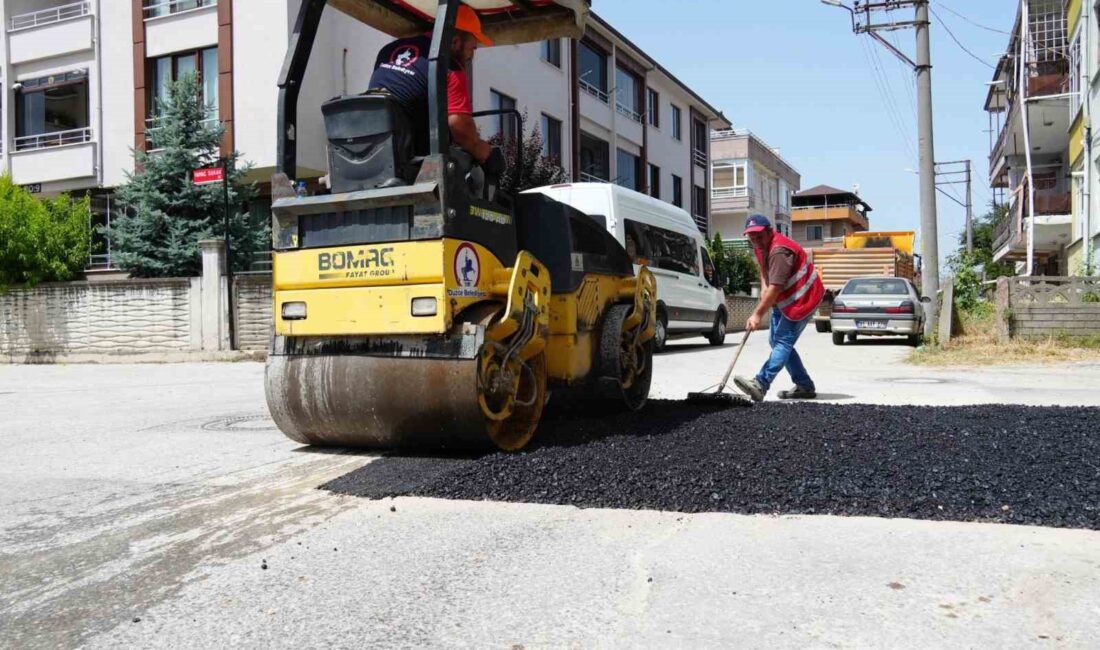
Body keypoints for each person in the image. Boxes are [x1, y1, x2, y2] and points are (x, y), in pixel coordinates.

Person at [367, 5, 504, 173]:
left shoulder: (390, 49)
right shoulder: (448, 66)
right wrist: (482, 150)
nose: (471, 56)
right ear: (455, 41)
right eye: (472, 48)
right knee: (473, 177)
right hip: (411, 161)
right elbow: (459, 127)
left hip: (371, 150)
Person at [734, 214, 825, 402]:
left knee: (782, 341)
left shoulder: (779, 251)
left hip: (803, 298)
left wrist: (757, 313)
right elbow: (763, 269)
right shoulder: (761, 246)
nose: (755, 240)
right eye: (751, 236)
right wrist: (764, 286)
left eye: (759, 235)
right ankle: (804, 385)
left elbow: (775, 288)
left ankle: (761, 383)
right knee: (777, 342)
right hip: (785, 298)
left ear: (769, 231)